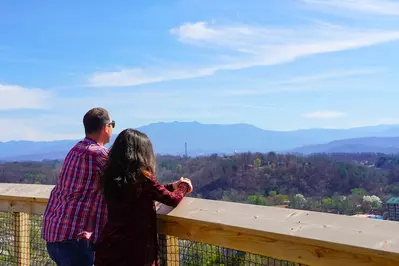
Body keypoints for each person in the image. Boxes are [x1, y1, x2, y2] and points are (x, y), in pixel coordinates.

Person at [94, 128, 193, 266]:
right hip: (136, 252)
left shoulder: (110, 176)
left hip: (110, 249)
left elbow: (150, 192)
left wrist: (171, 186)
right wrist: (184, 186)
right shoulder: (142, 177)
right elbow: (172, 199)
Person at [42, 107, 115, 266]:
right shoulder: (100, 155)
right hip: (75, 239)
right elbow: (128, 183)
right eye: (113, 124)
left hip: (55, 233)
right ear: (105, 127)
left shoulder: (75, 150)